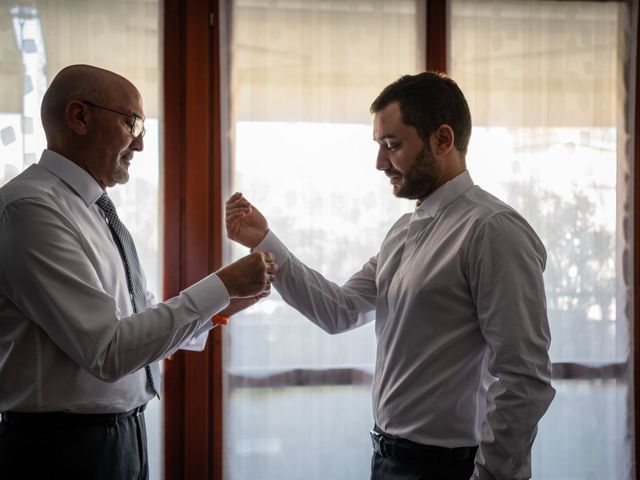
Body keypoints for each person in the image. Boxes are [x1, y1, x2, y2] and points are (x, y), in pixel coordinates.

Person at [225, 71, 555, 480]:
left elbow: (524, 376)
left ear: (442, 140)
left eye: (392, 146)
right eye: (379, 146)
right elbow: (339, 311)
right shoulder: (402, 232)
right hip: (388, 459)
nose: (380, 163)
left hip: (451, 468)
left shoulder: (493, 230)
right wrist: (264, 241)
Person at [0, 64, 277, 479]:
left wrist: (225, 304)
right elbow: (108, 352)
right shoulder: (31, 209)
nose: (142, 144)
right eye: (133, 123)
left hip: (120, 435)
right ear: (80, 117)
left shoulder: (92, 211)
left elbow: (135, 330)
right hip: (61, 450)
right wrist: (221, 283)